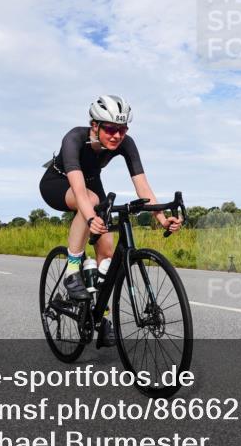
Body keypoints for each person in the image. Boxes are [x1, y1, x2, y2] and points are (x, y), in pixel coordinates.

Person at [39, 95, 182, 347]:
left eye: (122, 129)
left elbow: (142, 186)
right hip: (60, 182)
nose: (117, 135)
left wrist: (161, 218)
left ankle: (100, 319)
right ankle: (72, 271)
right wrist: (92, 216)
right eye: (110, 129)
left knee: (106, 250)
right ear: (94, 125)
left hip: (92, 185)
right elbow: (81, 192)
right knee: (92, 201)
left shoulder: (127, 144)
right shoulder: (74, 138)